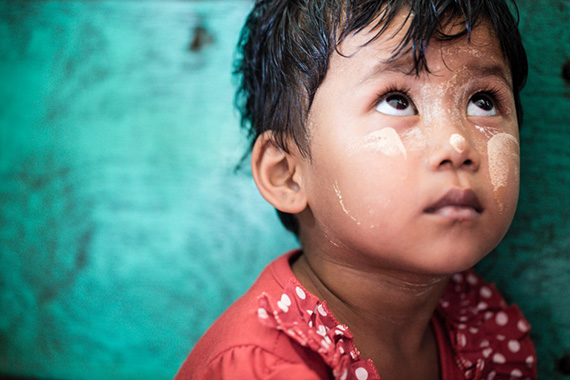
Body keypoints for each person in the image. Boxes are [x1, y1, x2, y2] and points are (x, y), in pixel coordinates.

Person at [175, 0, 537, 379]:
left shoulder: (479, 330)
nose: (457, 145)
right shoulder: (263, 369)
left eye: (483, 102)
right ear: (287, 174)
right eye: (397, 102)